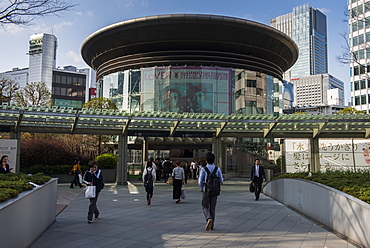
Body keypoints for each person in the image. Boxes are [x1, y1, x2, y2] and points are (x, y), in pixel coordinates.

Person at [198, 153, 223, 231]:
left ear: (206, 160)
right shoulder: (217, 169)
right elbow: (221, 180)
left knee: (205, 206)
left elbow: (200, 181)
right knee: (212, 207)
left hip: (206, 190)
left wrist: (202, 187)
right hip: (215, 191)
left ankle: (208, 218)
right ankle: (212, 225)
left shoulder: (203, 169)